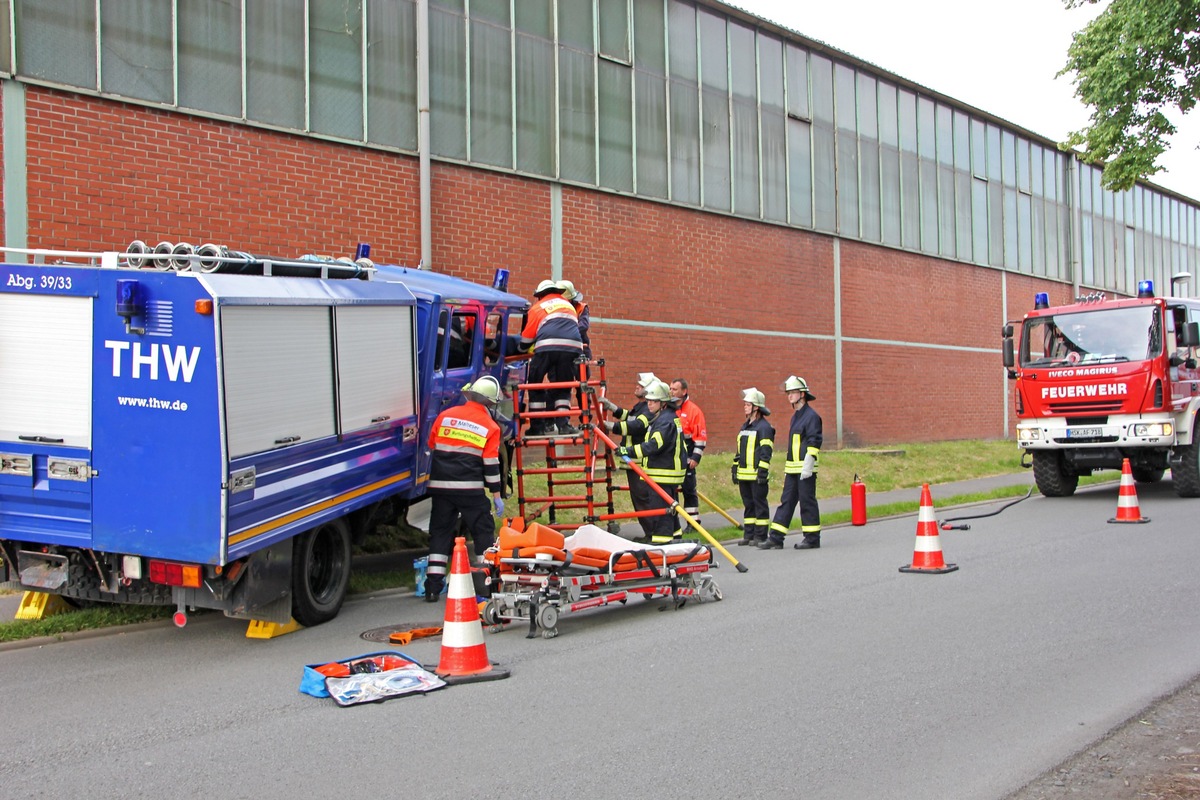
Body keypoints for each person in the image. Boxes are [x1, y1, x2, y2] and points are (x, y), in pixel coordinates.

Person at [423, 376, 505, 601]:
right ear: (490, 403)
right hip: (470, 491)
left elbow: (432, 445)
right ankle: (486, 585)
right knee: (482, 532)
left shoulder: (445, 416)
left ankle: (432, 587)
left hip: (440, 488)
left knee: (440, 533)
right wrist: (497, 495)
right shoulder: (490, 427)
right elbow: (490, 466)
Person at [615, 380, 687, 544]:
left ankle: (662, 542)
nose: (649, 404)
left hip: (663, 472)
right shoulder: (665, 417)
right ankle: (675, 537)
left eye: (653, 401)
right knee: (670, 507)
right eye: (648, 401)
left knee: (659, 508)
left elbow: (654, 446)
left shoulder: (664, 421)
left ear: (663, 403)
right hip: (667, 471)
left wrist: (628, 450)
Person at [762, 375, 823, 550]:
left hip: (805, 468)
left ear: (802, 394)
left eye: (793, 392)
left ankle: (812, 538)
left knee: (807, 501)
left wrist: (809, 464)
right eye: (788, 392)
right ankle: (776, 538)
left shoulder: (811, 416)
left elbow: (814, 440)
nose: (789, 395)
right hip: (793, 468)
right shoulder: (796, 416)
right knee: (786, 501)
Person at [519, 279, 584, 436]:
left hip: (547, 346)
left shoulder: (537, 308)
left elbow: (526, 339)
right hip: (573, 347)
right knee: (563, 385)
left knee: (535, 383)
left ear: (540, 295)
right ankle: (564, 425)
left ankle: (537, 426)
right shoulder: (568, 305)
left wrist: (521, 349)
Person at [601, 372, 656, 541]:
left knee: (643, 500)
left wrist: (611, 426)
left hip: (639, 462)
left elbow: (636, 426)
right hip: (633, 461)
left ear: (649, 391)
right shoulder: (640, 407)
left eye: (642, 385)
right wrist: (612, 407)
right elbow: (628, 416)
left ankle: (652, 534)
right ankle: (650, 533)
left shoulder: (648, 409)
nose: (637, 386)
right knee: (639, 500)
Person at [734, 388, 775, 546]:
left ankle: (760, 536)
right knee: (748, 506)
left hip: (757, 475)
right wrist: (735, 467)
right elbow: (740, 450)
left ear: (756, 407)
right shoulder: (745, 426)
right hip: (744, 474)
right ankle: (749, 535)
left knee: (760, 505)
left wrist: (762, 471)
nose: (745, 407)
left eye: (747, 404)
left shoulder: (764, 428)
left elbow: (766, 452)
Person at [669, 378, 707, 533]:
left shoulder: (694, 411)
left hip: (687, 459)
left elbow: (700, 437)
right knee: (672, 492)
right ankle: (674, 524)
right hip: (672, 459)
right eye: (670, 389)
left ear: (684, 391)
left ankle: (693, 524)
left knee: (689, 491)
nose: (671, 392)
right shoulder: (669, 409)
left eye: (675, 389)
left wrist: (695, 458)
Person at [557, 280, 591, 361]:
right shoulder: (556, 307)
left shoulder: (581, 307)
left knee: (581, 372)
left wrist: (567, 334)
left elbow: (583, 326)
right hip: (560, 348)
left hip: (579, 346)